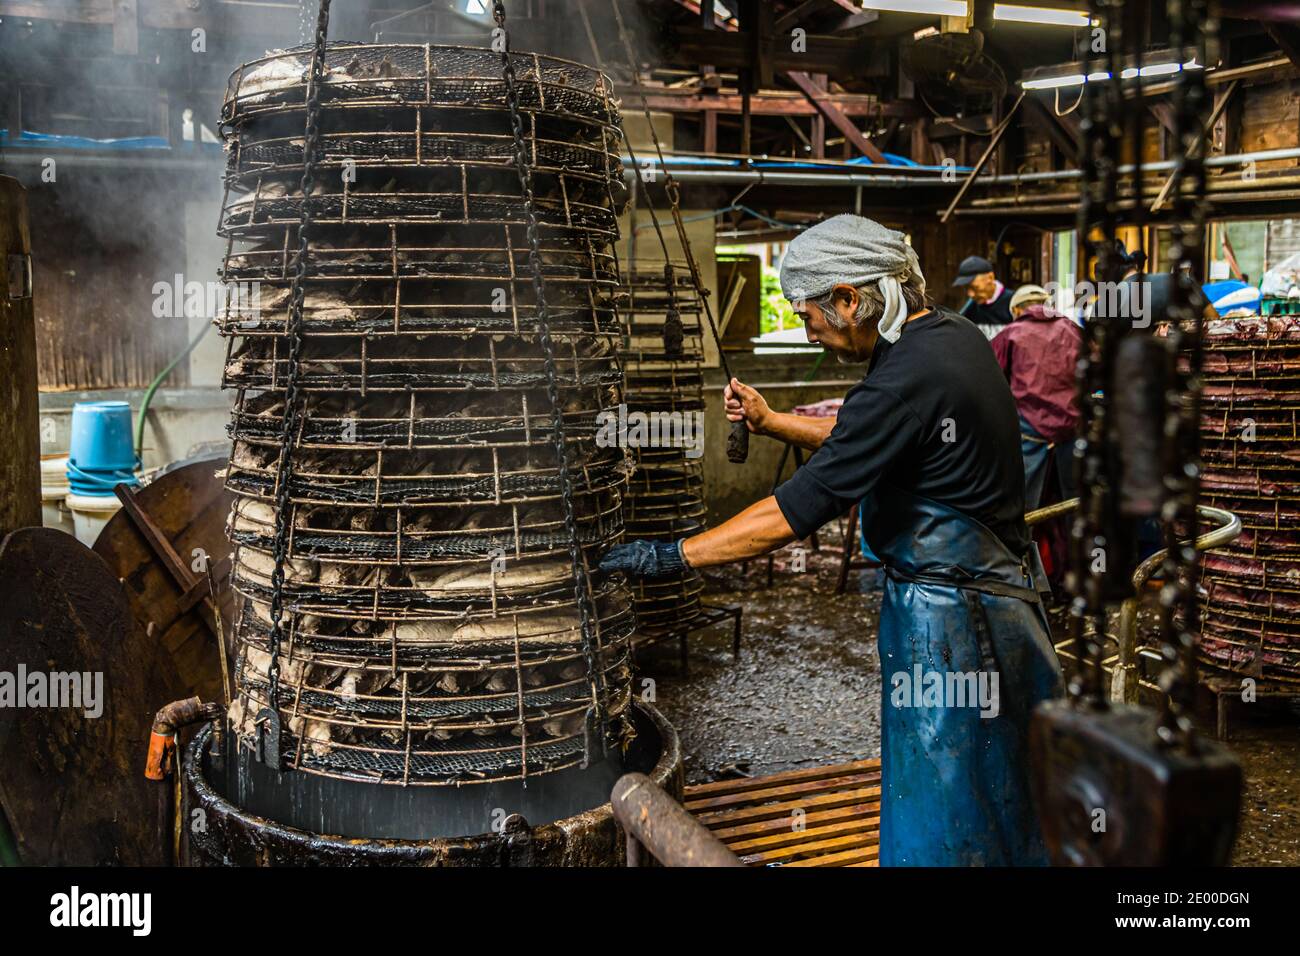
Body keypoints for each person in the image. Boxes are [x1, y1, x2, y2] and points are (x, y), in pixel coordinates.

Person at [600, 214, 1063, 867]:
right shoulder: (950, 338)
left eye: (809, 313)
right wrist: (771, 421)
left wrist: (669, 555)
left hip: (955, 626)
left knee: (949, 798)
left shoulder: (905, 376)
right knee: (1007, 788)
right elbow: (870, 436)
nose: (806, 328)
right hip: (1002, 604)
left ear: (849, 299)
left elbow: (789, 515)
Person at [991, 284, 1082, 510]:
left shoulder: (1010, 334)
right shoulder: (1072, 329)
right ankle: (1075, 545)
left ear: (1017, 310)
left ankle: (1026, 544)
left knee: (1024, 502)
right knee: (1075, 502)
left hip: (1029, 432)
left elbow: (991, 382)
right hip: (1073, 428)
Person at [953, 254, 1014, 338]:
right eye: (966, 288)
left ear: (990, 277)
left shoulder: (1013, 303)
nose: (970, 294)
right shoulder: (970, 309)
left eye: (975, 287)